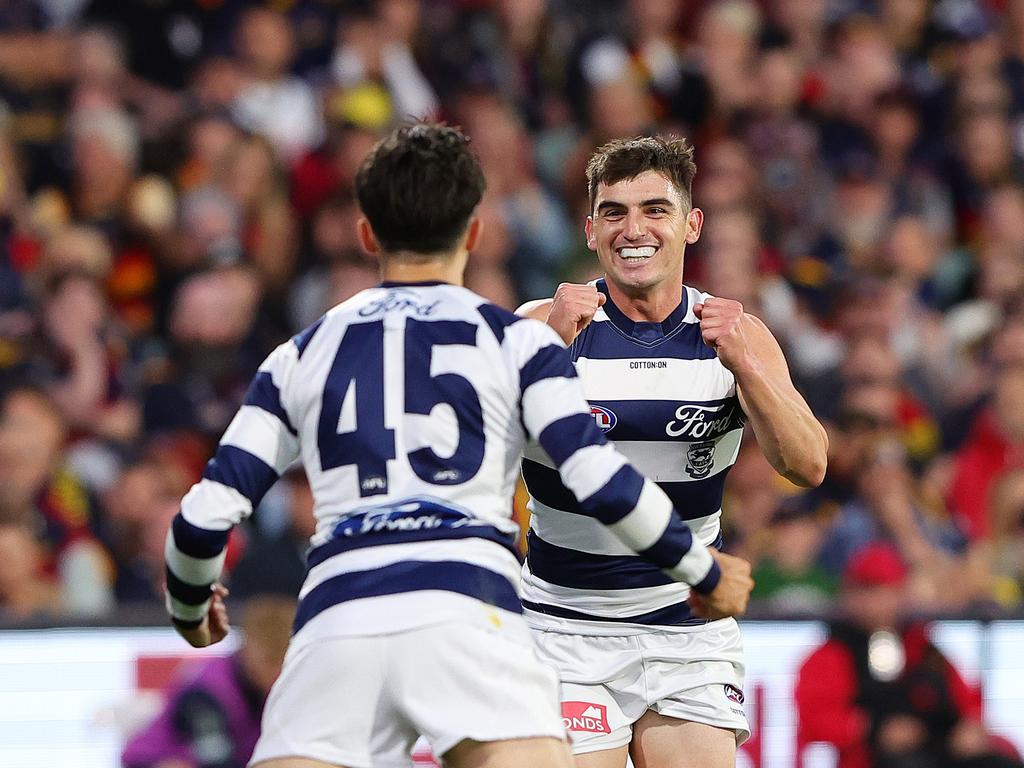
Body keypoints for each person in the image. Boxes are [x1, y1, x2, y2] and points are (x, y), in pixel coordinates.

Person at [162, 123, 755, 768]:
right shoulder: (514, 342)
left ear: (367, 235)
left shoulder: (302, 354)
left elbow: (200, 518)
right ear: (473, 233)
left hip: (341, 616)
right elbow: (604, 483)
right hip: (468, 612)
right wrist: (704, 571)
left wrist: (191, 608)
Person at [517, 136, 828, 768]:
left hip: (685, 623)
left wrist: (744, 365)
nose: (635, 229)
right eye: (615, 212)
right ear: (590, 230)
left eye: (655, 210)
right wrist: (544, 354)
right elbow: (472, 458)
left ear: (691, 224)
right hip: (563, 625)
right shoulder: (539, 326)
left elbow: (809, 463)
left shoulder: (735, 335)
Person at [795, 543, 1023, 768]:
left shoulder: (919, 642)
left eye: (888, 591)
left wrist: (970, 725)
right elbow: (817, 719)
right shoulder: (833, 653)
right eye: (869, 591)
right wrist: (872, 728)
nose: (879, 602)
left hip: (941, 751)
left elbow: (965, 696)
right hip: (875, 758)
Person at [122, 594, 296, 768]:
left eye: (285, 662)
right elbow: (217, 762)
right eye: (270, 661)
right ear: (247, 648)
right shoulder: (207, 690)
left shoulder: (280, 688)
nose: (277, 672)